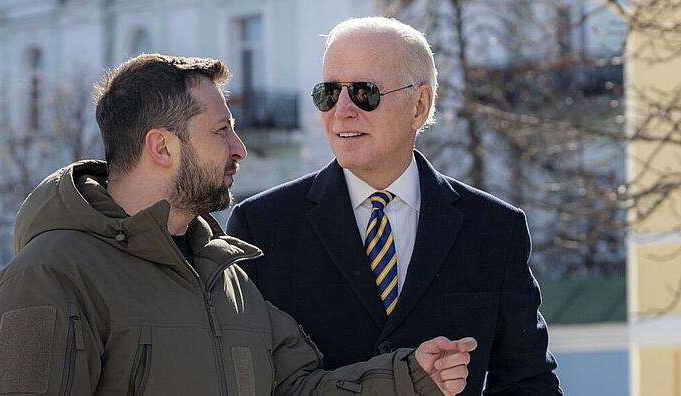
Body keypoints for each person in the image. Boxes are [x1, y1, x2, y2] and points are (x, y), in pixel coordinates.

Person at [0, 54, 476, 396]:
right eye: (221, 130)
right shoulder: (50, 276)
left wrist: (411, 376)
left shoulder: (226, 276)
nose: (238, 148)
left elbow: (296, 388)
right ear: (162, 147)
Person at [227, 17, 563, 395]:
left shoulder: (495, 229)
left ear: (419, 105)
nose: (342, 110)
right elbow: (247, 381)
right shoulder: (261, 227)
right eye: (328, 93)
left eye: (364, 92)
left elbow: (529, 381)